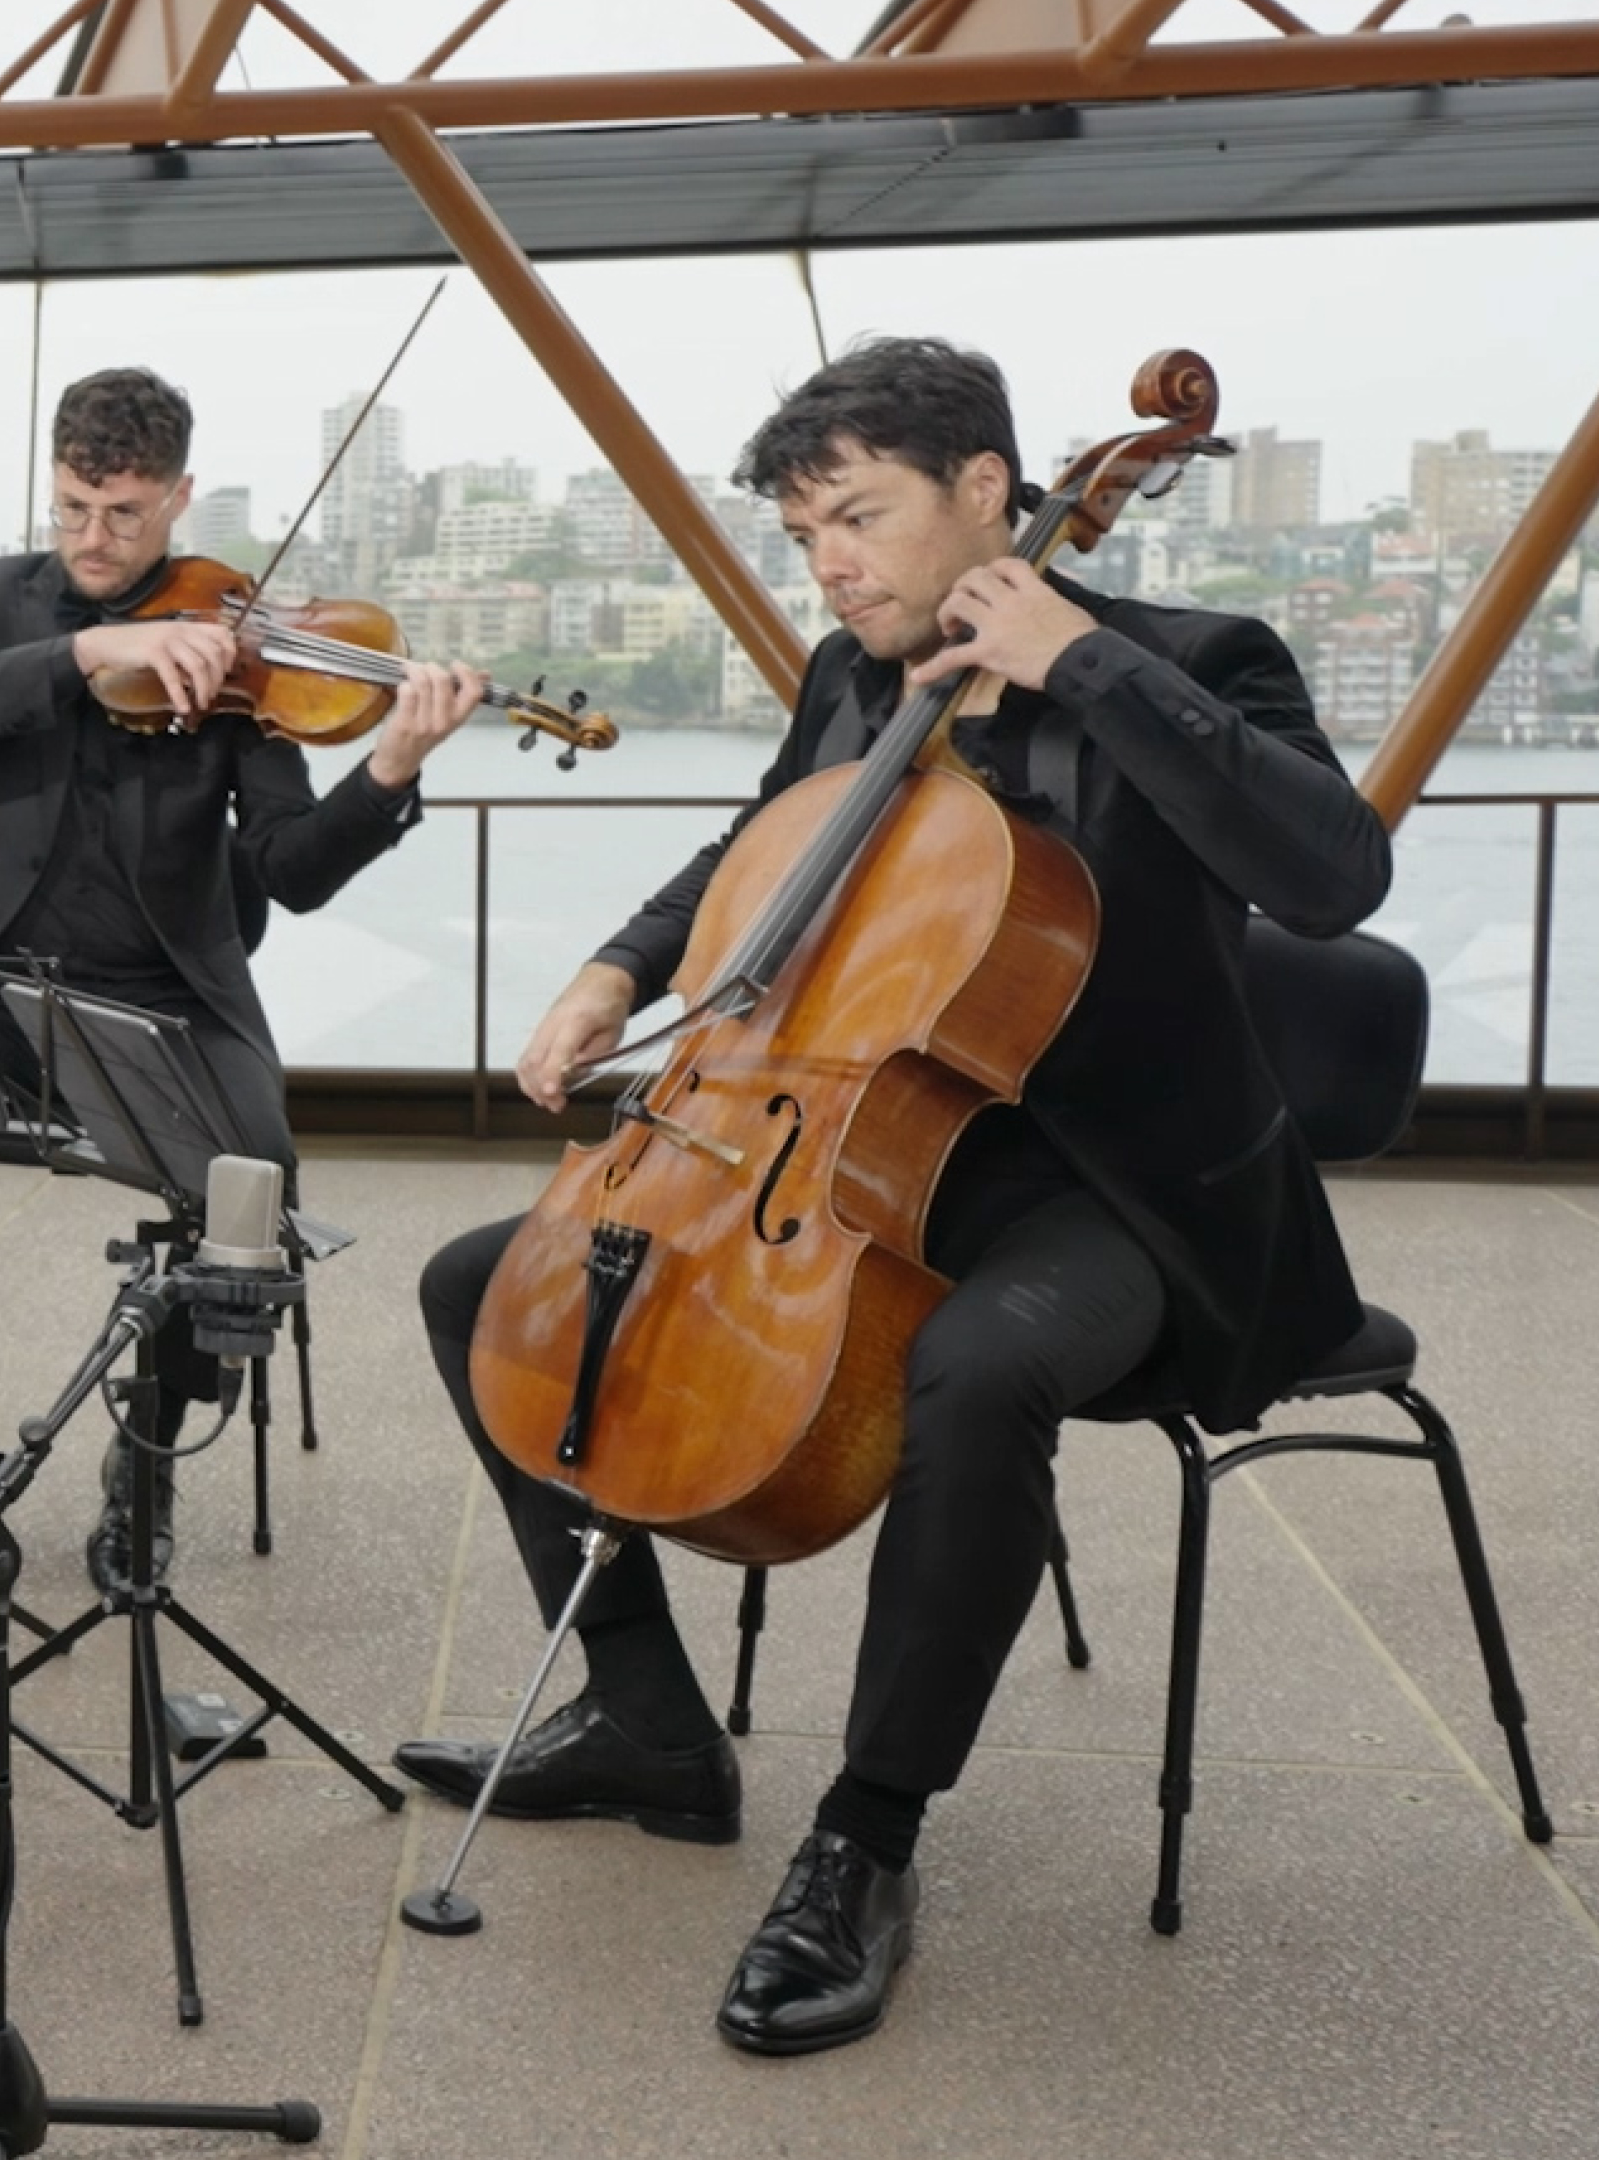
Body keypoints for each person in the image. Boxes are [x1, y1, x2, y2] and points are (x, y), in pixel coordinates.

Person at [398, 337, 1393, 2056]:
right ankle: (649, 1725)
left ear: (991, 494)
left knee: (978, 1370)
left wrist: (1083, 661)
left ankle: (865, 1838)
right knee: (494, 1283)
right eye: (806, 534)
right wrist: (616, 970)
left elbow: (1334, 873)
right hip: (862, 1154)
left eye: (858, 516)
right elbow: (758, 854)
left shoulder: (1199, 661)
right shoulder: (856, 682)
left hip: (1123, 1195)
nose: (833, 563)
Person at [0, 366, 484, 1593]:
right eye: (74, 509)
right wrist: (90, 645)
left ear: (180, 497)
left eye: (125, 514)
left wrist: (389, 771)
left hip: (166, 995)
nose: (94, 538)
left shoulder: (248, 645)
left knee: (252, 1192)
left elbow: (289, 873)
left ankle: (144, 1459)